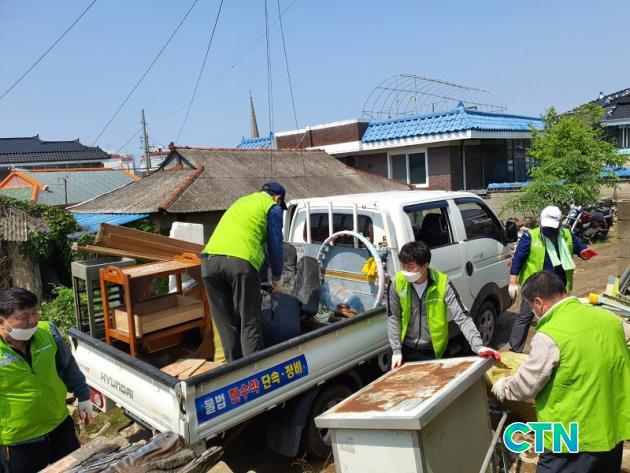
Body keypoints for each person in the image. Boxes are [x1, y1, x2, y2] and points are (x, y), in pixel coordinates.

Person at [492, 271, 630, 473]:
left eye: (531, 306)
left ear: (538, 303)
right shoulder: (610, 318)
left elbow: (526, 386)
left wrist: (503, 387)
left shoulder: (550, 336)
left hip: (571, 438)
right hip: (613, 427)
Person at [0, 288, 92, 473]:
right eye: (24, 317)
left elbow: (68, 365)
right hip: (20, 440)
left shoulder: (47, 331)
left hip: (59, 424)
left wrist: (83, 396)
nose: (33, 320)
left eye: (35, 312)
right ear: (2, 322)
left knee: (75, 470)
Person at [201, 182, 286, 362]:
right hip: (239, 262)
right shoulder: (272, 207)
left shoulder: (241, 202)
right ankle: (253, 371)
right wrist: (277, 277)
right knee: (249, 321)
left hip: (209, 262)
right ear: (278, 198)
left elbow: (252, 239)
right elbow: (275, 245)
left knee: (225, 324)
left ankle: (233, 370)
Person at [387, 241, 501, 369]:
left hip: (434, 350)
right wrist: (396, 350)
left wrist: (478, 346)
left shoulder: (442, 283)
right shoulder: (396, 282)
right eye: (403, 266)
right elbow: (393, 317)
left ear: (425, 266)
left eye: (411, 267)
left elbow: (461, 316)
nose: (406, 271)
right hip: (405, 349)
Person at [508, 205, 596, 352]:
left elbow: (579, 248)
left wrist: (584, 252)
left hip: (559, 286)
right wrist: (512, 282)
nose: (548, 230)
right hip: (535, 286)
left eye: (552, 227)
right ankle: (515, 349)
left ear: (559, 224)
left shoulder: (567, 235)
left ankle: (556, 349)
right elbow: (518, 259)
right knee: (525, 316)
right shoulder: (531, 236)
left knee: (559, 317)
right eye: (546, 227)